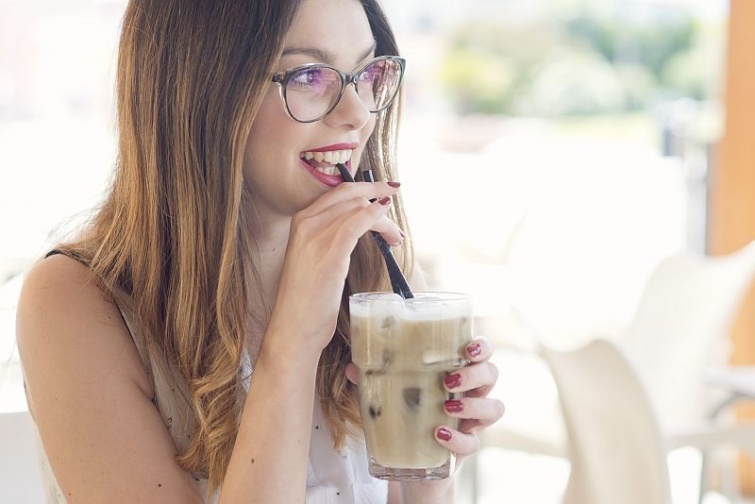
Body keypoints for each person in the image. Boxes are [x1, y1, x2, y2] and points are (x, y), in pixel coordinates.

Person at [16, 0, 505, 502]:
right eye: (309, 76)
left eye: (366, 74)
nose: (358, 114)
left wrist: (431, 462)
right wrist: (293, 341)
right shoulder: (74, 300)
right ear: (200, 92)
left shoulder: (377, 277)